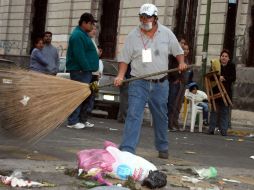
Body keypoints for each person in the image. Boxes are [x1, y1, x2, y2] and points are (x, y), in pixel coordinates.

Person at [114, 3, 187, 159]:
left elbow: (178, 51)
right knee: (134, 114)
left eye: (148, 17)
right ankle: (127, 149)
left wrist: (181, 62)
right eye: (142, 17)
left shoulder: (166, 33)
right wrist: (120, 76)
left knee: (161, 115)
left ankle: (163, 147)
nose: (144, 20)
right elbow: (124, 59)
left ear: (155, 18)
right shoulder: (132, 36)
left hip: (160, 83)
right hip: (138, 82)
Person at [66, 12, 99, 129]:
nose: (92, 27)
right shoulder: (77, 35)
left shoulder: (82, 34)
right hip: (80, 71)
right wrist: (86, 68)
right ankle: (73, 121)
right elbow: (79, 55)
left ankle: (79, 119)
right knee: (78, 96)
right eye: (90, 24)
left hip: (85, 71)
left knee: (84, 97)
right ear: (84, 23)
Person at [208, 49, 236, 136]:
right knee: (214, 110)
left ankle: (223, 130)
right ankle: (211, 129)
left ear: (228, 58)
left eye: (226, 56)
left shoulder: (231, 66)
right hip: (216, 91)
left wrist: (224, 78)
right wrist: (218, 77)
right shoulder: (216, 65)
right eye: (222, 56)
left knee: (224, 111)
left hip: (226, 92)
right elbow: (210, 76)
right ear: (220, 57)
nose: (224, 58)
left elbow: (233, 78)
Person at [167, 39, 191, 132]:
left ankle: (175, 123)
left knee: (178, 105)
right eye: (182, 45)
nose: (185, 50)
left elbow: (189, 73)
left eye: (187, 48)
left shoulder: (187, 60)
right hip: (175, 82)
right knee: (172, 103)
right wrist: (176, 78)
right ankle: (169, 124)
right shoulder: (174, 56)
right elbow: (171, 68)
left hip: (183, 84)